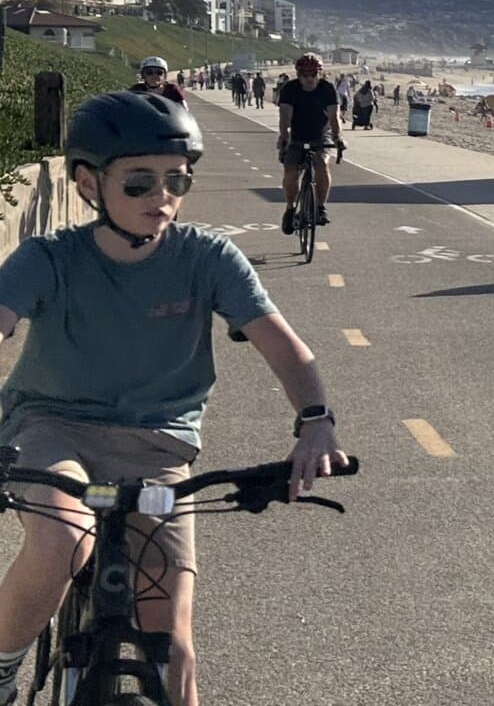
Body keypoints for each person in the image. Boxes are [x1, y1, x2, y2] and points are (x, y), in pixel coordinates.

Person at [0, 92, 347, 706]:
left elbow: (285, 347)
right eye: (139, 182)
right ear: (88, 184)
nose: (161, 197)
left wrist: (316, 421)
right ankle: (3, 663)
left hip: (158, 446)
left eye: (176, 180)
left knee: (173, 644)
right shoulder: (47, 259)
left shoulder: (208, 258)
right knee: (64, 538)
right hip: (51, 429)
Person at [275, 54, 345, 232]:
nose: (309, 79)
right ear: (298, 75)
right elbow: (285, 117)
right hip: (296, 135)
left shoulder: (327, 88)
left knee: (321, 164)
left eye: (313, 74)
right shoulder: (290, 89)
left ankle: (320, 207)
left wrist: (338, 137)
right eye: (304, 75)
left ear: (319, 74)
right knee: (291, 173)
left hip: (321, 134)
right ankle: (290, 209)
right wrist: (284, 137)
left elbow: (334, 116)